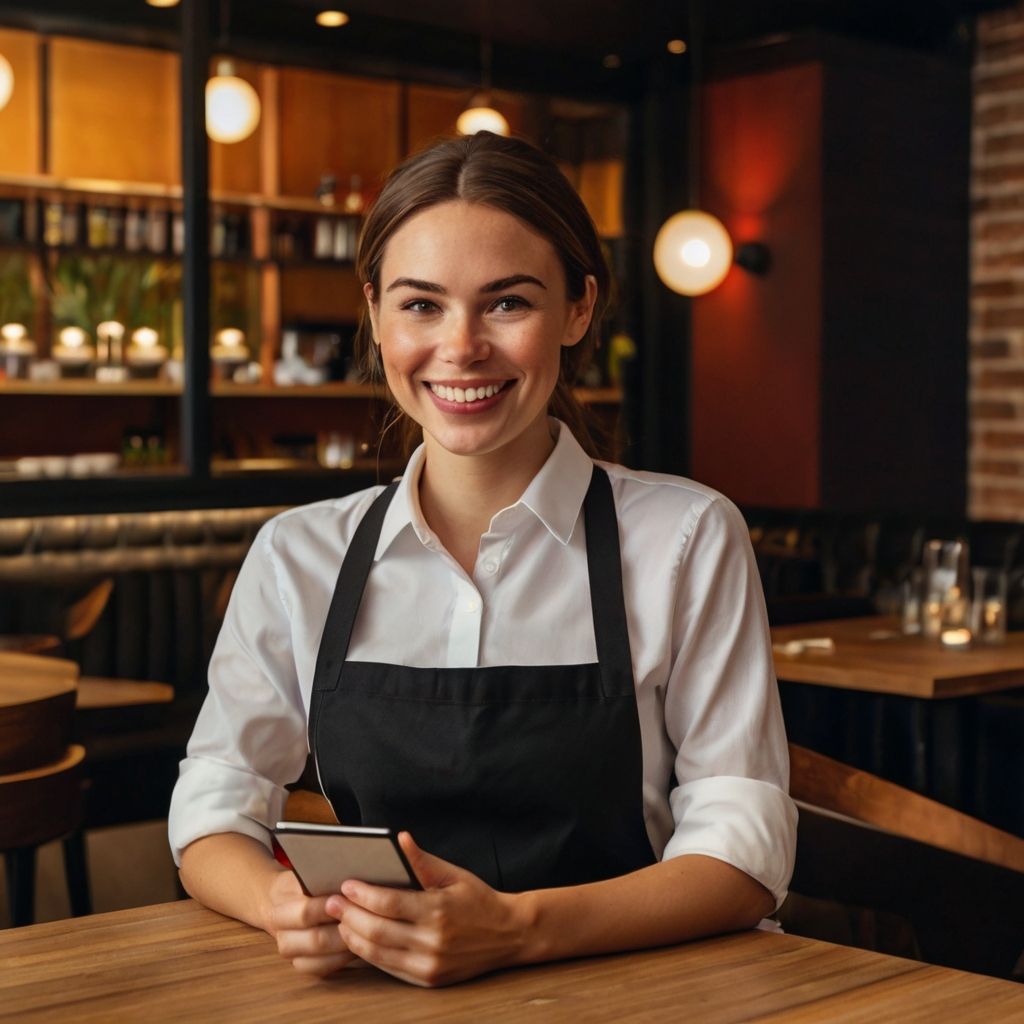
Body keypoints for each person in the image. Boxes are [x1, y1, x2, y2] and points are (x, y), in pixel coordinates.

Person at [169, 131, 797, 988]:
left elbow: (743, 853)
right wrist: (282, 906)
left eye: (507, 303)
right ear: (377, 314)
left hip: (637, 997)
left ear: (578, 308)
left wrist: (517, 929)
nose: (460, 347)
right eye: (421, 305)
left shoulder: (685, 538)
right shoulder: (297, 555)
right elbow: (212, 809)